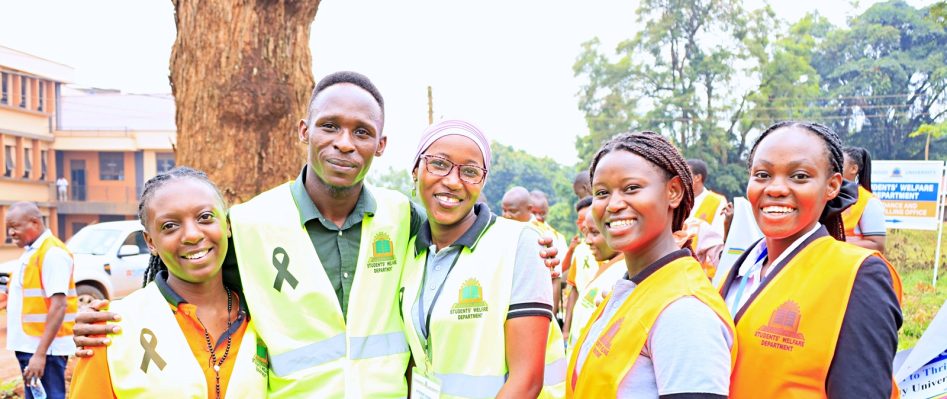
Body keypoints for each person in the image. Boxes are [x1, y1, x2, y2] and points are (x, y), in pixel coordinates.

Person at [72, 72, 560, 398]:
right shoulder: (248, 223)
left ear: (380, 145)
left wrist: (533, 243)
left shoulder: (402, 217)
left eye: (361, 132)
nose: (344, 143)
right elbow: (190, 280)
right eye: (330, 126)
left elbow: (461, 232)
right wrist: (112, 321)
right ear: (304, 130)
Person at [720, 121, 902, 398]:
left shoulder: (858, 275)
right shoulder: (739, 269)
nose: (776, 188)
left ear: (832, 186)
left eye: (800, 176)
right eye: (762, 174)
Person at [401, 120, 565, 398]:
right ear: (416, 170)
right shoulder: (411, 251)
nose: (453, 181)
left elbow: (526, 380)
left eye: (470, 171)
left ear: (483, 180)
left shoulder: (520, 244)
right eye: (439, 164)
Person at [69, 167, 265, 398]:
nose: (192, 235)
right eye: (170, 226)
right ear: (150, 242)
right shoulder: (112, 327)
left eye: (205, 217)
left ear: (227, 225)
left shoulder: (265, 315)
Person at [568, 132, 735, 398]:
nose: (614, 204)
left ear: (673, 192)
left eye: (631, 188)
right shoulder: (634, 288)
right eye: (602, 193)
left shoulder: (684, 312)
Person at [4, 202, 77, 399]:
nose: (11, 233)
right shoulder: (32, 252)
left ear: (34, 223)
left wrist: (40, 354)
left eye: (15, 226)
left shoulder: (52, 253)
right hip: (30, 347)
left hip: (45, 351)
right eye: (9, 228)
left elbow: (59, 305)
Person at [564, 207, 625, 352]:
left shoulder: (623, 275)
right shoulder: (609, 267)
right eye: (586, 233)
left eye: (595, 233)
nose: (588, 241)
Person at [561, 198, 596, 346]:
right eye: (580, 221)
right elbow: (574, 290)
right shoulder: (580, 250)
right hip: (579, 329)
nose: (584, 225)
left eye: (587, 219)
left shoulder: (620, 253)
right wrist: (566, 329)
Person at [841, 146, 886, 253]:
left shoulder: (869, 202)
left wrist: (836, 243)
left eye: (840, 164)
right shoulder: (827, 195)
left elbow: (878, 245)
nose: (833, 168)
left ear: (853, 169)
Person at [687, 159, 727, 237]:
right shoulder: (678, 200)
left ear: (697, 177)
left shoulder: (717, 201)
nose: (682, 178)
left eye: (686, 174)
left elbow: (719, 235)